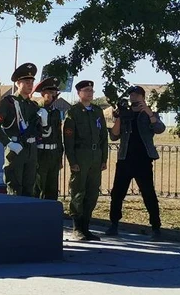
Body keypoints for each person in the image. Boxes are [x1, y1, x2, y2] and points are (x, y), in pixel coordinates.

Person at [105, 85, 166, 239]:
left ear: (143, 97)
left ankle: (156, 227)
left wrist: (148, 111)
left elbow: (159, 128)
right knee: (117, 193)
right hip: (125, 158)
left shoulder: (149, 113)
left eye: (137, 95)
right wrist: (119, 116)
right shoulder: (126, 113)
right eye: (132, 95)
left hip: (143, 159)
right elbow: (113, 136)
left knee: (148, 193)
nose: (134, 98)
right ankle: (114, 224)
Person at [63, 80, 109, 242]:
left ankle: (86, 227)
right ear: (79, 93)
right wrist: (72, 160)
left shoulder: (97, 111)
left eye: (91, 90)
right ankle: (77, 228)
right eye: (86, 90)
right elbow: (69, 139)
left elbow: (104, 136)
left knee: (92, 192)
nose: (90, 93)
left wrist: (104, 158)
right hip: (80, 156)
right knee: (78, 190)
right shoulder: (73, 112)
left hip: (96, 157)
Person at [0, 63, 41, 196]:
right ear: (18, 83)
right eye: (26, 81)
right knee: (15, 189)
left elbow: (38, 129)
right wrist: (9, 143)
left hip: (31, 150)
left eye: (32, 82)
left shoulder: (33, 105)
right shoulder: (9, 103)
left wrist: (43, 122)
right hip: (15, 149)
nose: (30, 84)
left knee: (30, 189)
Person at [34, 77, 65, 200]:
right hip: (40, 153)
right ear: (42, 93)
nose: (53, 96)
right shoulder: (36, 110)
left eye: (55, 93)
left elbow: (58, 136)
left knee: (52, 189)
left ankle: (50, 215)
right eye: (50, 93)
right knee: (38, 187)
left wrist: (59, 157)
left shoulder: (56, 112)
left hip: (54, 154)